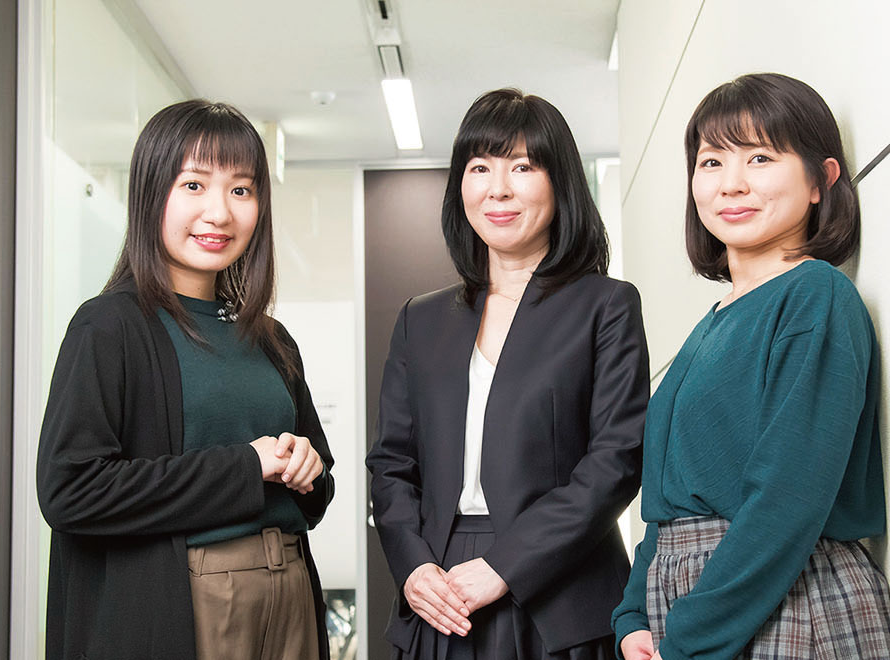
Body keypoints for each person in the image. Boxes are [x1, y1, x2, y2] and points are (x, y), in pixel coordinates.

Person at [611, 73, 890, 660]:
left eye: (760, 157)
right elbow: (668, 503)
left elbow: (786, 498)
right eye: (711, 162)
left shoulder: (814, 297)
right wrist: (635, 614)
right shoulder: (715, 320)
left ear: (821, 180)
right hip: (699, 609)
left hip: (783, 601)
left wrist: (688, 638)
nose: (731, 183)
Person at [37, 99, 334, 660]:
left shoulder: (271, 338)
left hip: (289, 593)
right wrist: (246, 466)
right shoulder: (109, 326)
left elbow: (318, 493)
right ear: (152, 194)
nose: (219, 213)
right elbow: (70, 491)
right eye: (193, 185)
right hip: (184, 604)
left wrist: (306, 466)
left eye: (241, 190)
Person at [366, 88, 650, 660]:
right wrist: (413, 566)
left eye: (522, 166)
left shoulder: (606, 306)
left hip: (559, 590)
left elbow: (616, 460)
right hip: (441, 591)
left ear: (559, 182)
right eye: (480, 168)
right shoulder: (422, 318)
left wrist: (504, 566)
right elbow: (392, 463)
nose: (498, 188)